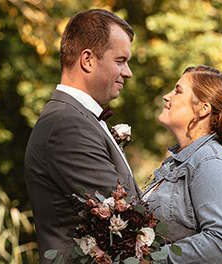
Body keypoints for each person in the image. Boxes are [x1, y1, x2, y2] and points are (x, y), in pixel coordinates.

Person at [24, 9, 141, 264]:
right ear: (87, 59)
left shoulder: (78, 118)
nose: (128, 72)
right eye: (120, 61)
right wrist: (208, 248)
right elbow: (125, 222)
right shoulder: (67, 125)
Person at [141, 65, 222, 263]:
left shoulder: (210, 162)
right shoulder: (179, 161)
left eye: (178, 91)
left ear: (203, 109)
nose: (166, 96)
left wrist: (151, 260)